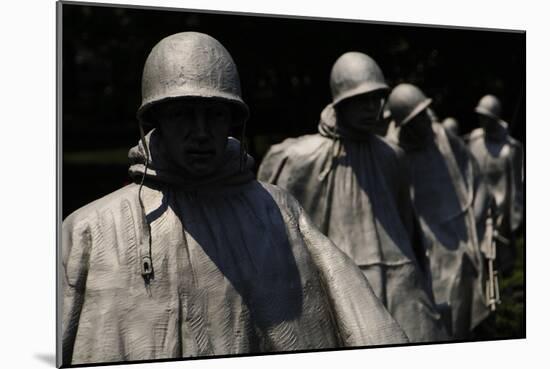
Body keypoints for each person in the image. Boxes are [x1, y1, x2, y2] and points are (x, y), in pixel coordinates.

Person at [61, 33, 408, 366]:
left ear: (231, 119)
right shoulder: (90, 230)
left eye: (214, 114)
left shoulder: (278, 211)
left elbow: (360, 320)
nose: (200, 132)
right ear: (156, 120)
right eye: (182, 113)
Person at [258, 52, 448, 343]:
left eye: (376, 99)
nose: (372, 108)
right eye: (361, 100)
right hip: (340, 284)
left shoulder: (391, 156)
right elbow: (273, 230)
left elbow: (406, 223)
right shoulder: (302, 157)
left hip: (402, 284)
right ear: (341, 102)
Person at [386, 83, 490, 339]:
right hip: (426, 245)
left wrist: (474, 224)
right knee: (439, 314)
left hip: (461, 236)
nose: (424, 124)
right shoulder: (394, 152)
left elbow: (474, 175)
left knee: (468, 309)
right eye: (416, 119)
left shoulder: (442, 136)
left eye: (424, 115)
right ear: (403, 125)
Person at [466, 94, 524, 272]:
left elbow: (516, 188)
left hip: (498, 218)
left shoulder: (510, 149)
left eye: (486, 117)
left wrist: (512, 222)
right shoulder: (474, 140)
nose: (483, 121)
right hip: (474, 214)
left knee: (497, 268)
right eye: (480, 117)